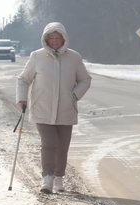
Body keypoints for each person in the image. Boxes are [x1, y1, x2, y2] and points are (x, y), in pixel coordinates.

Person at [16, 22, 91, 193]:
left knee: (62, 146)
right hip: (42, 108)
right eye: (52, 38)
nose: (55, 41)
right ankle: (47, 179)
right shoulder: (37, 56)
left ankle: (59, 178)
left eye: (58, 38)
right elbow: (23, 79)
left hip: (66, 109)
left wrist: (75, 95)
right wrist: (21, 98)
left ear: (64, 39)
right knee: (49, 143)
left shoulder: (74, 57)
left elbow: (85, 80)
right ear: (46, 39)